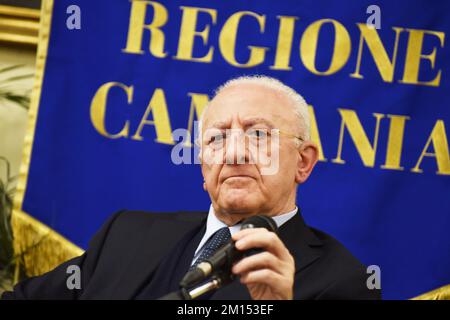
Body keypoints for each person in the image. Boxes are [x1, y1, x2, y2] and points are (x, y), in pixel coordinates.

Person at [2, 75, 381, 300]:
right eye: (216, 139)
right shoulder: (126, 233)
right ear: (203, 164)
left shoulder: (343, 282)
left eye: (258, 134)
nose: (234, 154)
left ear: (303, 161)